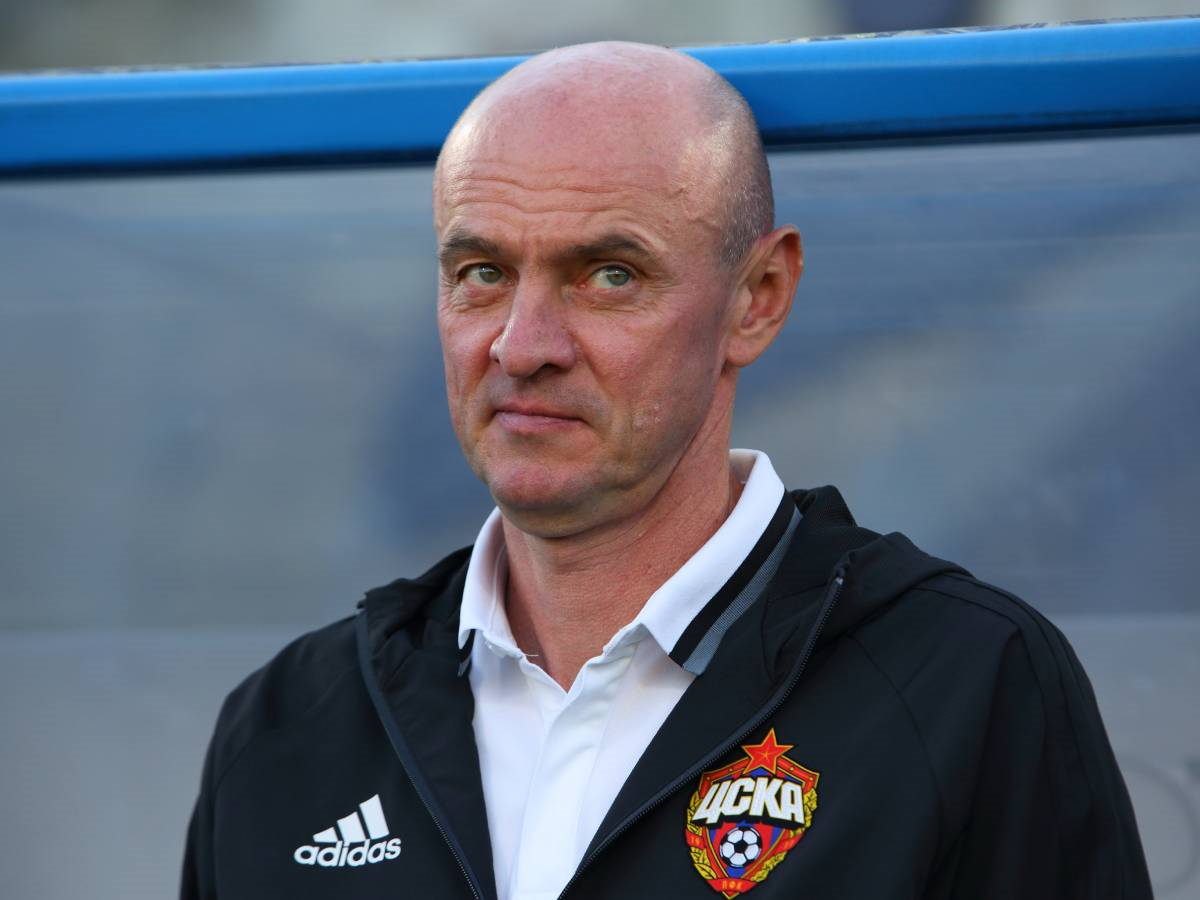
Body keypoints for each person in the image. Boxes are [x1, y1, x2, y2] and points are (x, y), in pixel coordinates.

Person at [181, 42, 1152, 900]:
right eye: (482, 273)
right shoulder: (285, 729)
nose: (523, 345)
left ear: (757, 298)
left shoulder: (966, 685)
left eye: (610, 275)